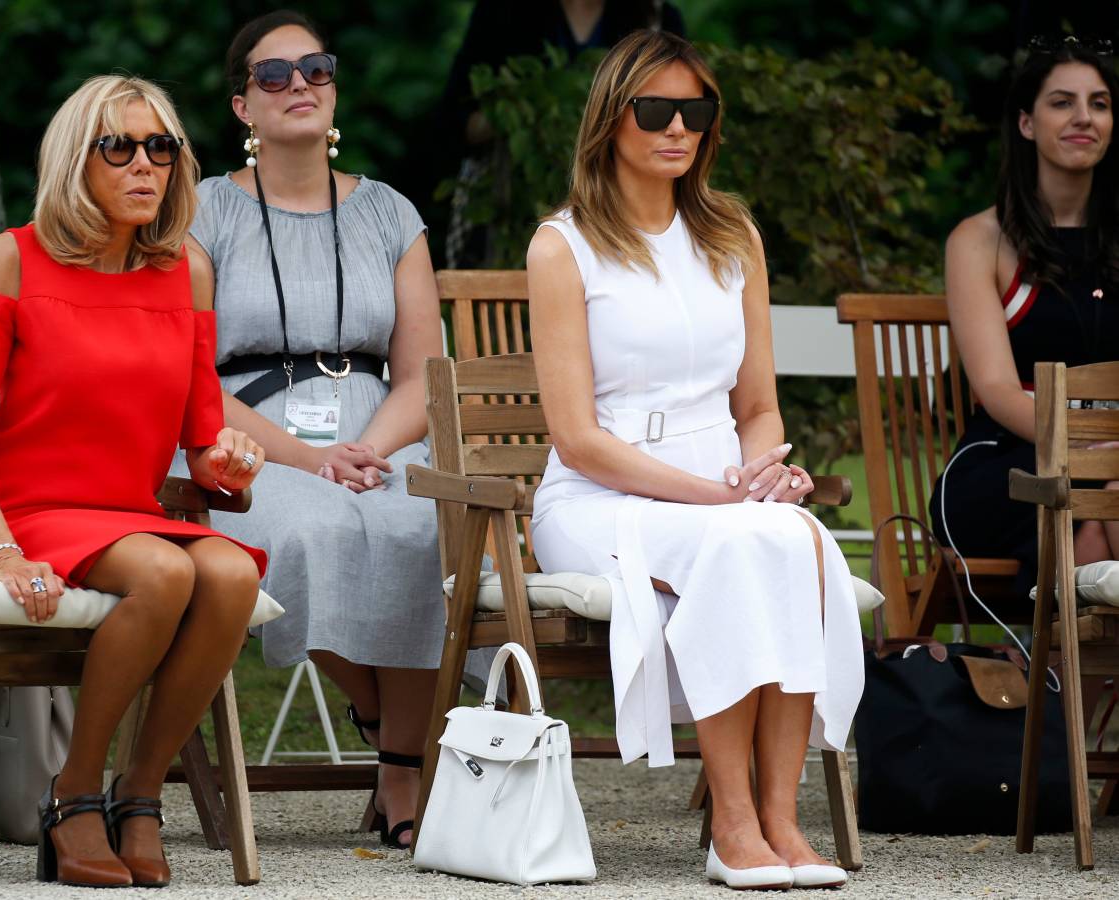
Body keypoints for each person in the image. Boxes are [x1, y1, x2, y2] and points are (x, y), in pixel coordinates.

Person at [526, 31, 861, 890]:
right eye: (657, 110)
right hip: (600, 499)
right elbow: (577, 438)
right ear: (612, 119)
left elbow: (756, 405)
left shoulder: (731, 233)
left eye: (697, 111)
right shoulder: (562, 246)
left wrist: (767, 472)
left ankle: (784, 822)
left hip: (719, 491)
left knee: (791, 539)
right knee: (740, 541)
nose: (679, 128)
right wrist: (720, 500)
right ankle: (733, 828)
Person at [0, 74, 266, 888]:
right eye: (119, 146)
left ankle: (139, 796)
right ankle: (73, 795)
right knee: (165, 569)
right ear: (75, 159)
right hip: (24, 518)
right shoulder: (10, 257)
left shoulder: (186, 268)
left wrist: (228, 465)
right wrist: (5, 552)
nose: (144, 164)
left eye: (161, 147)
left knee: (226, 570)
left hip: (126, 518)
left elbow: (201, 442)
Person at [187, 10, 443, 850]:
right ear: (242, 107)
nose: (300, 84)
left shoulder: (391, 213)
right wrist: (310, 459)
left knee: (422, 526)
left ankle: (400, 774)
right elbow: (188, 372)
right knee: (313, 530)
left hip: (382, 435)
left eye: (317, 69)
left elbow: (420, 377)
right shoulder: (202, 212)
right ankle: (379, 719)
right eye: (274, 75)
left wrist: (370, 448)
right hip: (245, 437)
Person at [931, 37, 1116, 591]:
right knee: (1087, 499)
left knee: (1098, 503)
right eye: (1062, 102)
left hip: (1110, 458)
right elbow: (995, 388)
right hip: (1009, 460)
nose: (1084, 117)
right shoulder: (981, 240)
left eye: (1100, 104)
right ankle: (1077, 675)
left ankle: (1067, 675)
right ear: (1027, 123)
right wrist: (1088, 443)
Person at [438, 0, 686, 266]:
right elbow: (453, 121)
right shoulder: (501, 13)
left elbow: (679, 108)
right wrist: (517, 112)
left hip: (621, 206)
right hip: (513, 206)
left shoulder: (655, 19)